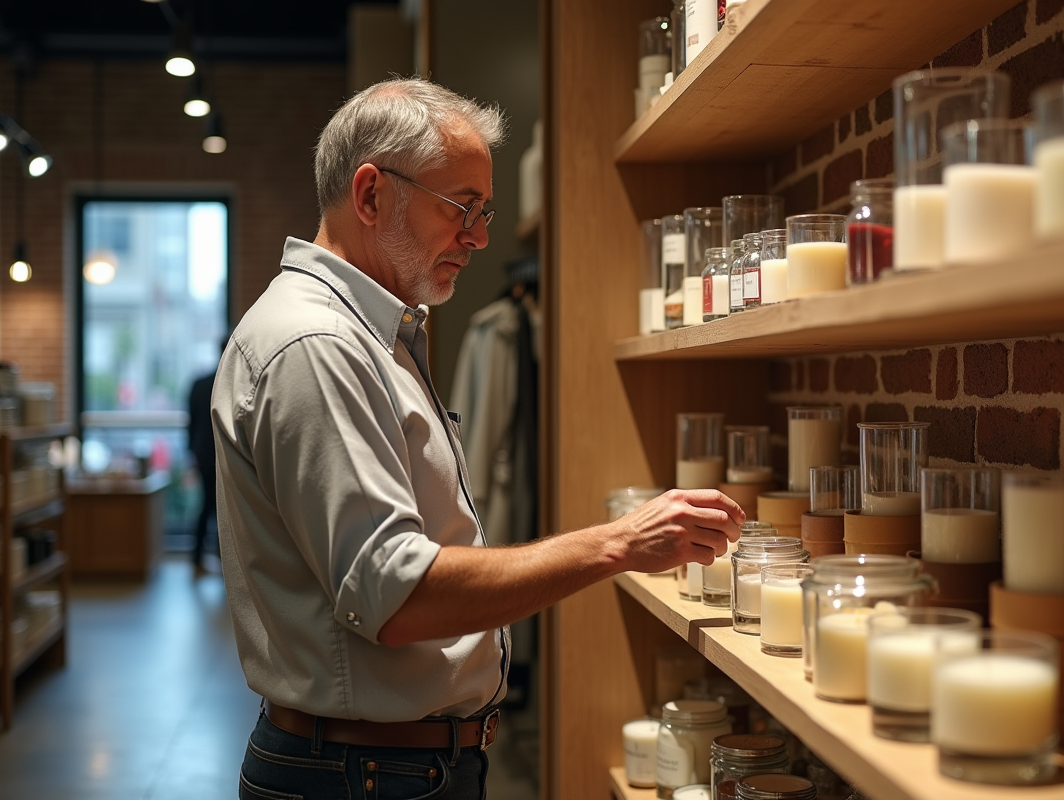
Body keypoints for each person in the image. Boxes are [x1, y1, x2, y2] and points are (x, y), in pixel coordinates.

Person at [211, 77, 743, 800]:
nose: (481, 236)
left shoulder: (372, 335)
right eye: (462, 208)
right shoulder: (318, 342)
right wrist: (616, 543)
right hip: (359, 775)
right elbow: (395, 597)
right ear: (371, 195)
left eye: (485, 211)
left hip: (387, 768)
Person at [185, 358, 218, 575]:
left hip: (202, 452)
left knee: (205, 505)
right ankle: (224, 558)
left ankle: (197, 557)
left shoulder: (200, 382)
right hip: (222, 453)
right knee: (224, 507)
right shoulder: (232, 381)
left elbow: (191, 421)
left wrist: (191, 452)